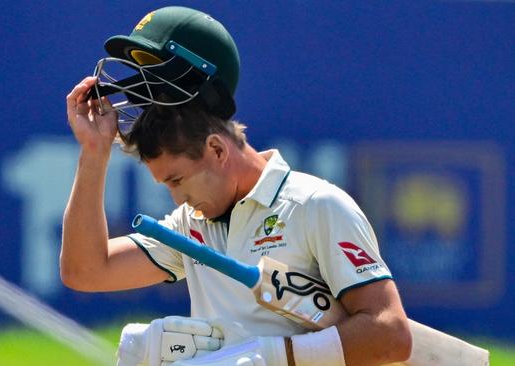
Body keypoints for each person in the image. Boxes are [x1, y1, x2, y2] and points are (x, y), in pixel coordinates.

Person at [62, 6, 412, 366]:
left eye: (177, 180)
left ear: (216, 149)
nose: (177, 198)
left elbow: (390, 335)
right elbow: (85, 271)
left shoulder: (315, 205)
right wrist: (94, 153)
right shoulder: (190, 224)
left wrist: (265, 356)